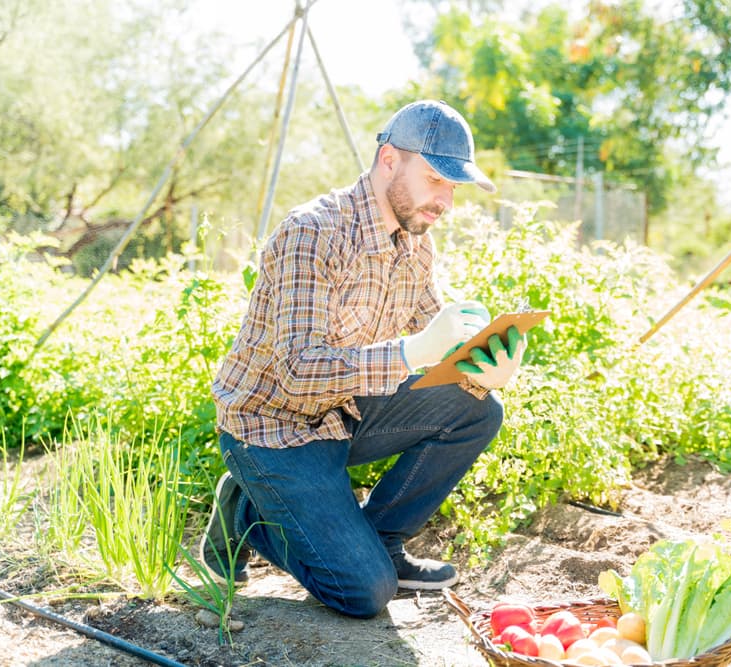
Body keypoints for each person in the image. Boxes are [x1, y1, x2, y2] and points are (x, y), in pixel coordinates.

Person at [204, 100, 527, 619]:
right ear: (389, 160)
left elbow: (438, 334)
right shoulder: (312, 231)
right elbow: (297, 372)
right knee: (364, 594)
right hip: (272, 428)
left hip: (344, 413)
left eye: (452, 187)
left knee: (477, 408)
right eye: (434, 179)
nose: (444, 200)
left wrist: (486, 363)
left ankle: (383, 542)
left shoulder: (416, 244)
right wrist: (417, 350)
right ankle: (245, 508)